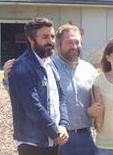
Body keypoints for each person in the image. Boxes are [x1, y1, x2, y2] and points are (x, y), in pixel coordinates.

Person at [8, 17, 69, 155]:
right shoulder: (22, 67)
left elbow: (61, 98)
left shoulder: (50, 64)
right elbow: (32, 106)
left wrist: (63, 125)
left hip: (53, 140)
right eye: (45, 37)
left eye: (52, 37)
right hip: (33, 144)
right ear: (31, 39)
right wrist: (55, 131)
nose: (50, 41)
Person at [54, 24, 99, 155]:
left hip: (86, 137)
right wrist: (7, 78)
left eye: (77, 42)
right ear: (58, 44)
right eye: (69, 42)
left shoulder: (90, 70)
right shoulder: (49, 69)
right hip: (59, 138)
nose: (74, 46)